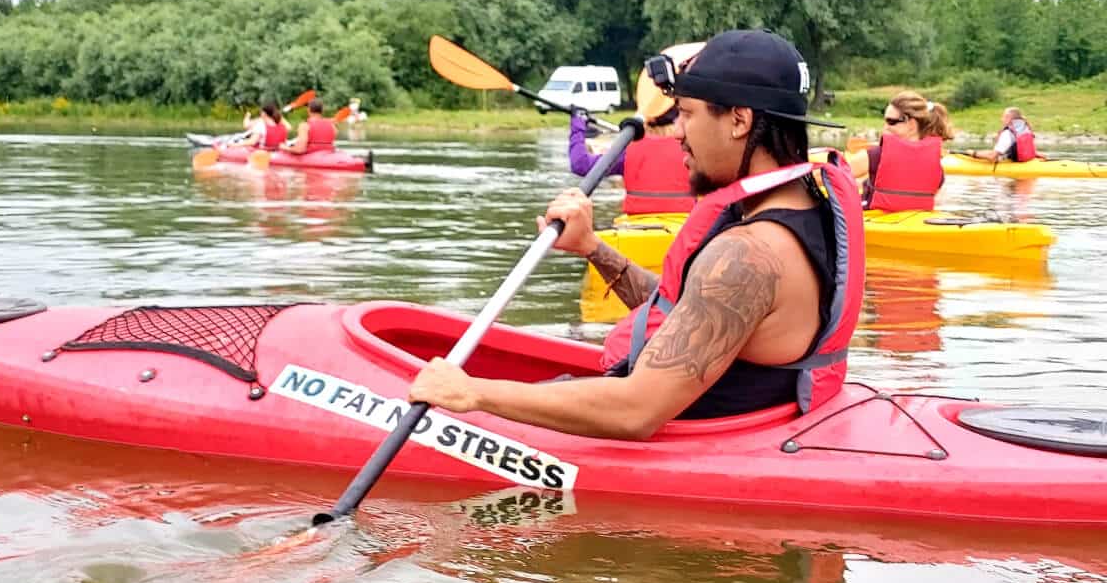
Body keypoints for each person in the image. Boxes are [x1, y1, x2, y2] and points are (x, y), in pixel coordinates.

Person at [408, 29, 865, 439]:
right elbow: (690, 316)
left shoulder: (749, 253)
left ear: (739, 120)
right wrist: (593, 249)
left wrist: (472, 394)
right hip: (753, 418)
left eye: (686, 114)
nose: (678, 134)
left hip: (692, 440)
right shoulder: (802, 204)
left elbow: (636, 411)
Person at [568, 50, 698, 215]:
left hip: (633, 231)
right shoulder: (697, 149)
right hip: (684, 227)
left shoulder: (628, 149)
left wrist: (577, 125)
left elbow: (580, 164)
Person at [845, 91, 955, 211]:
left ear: (912, 124)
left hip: (875, 224)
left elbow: (825, 177)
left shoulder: (876, 156)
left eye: (891, 122)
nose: (885, 127)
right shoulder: (937, 167)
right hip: (911, 225)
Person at [970, 107, 1042, 163]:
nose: (1001, 119)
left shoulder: (1007, 134)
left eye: (1003, 116)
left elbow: (992, 157)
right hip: (1027, 160)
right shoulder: (1025, 128)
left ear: (1008, 117)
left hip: (1016, 162)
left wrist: (973, 153)